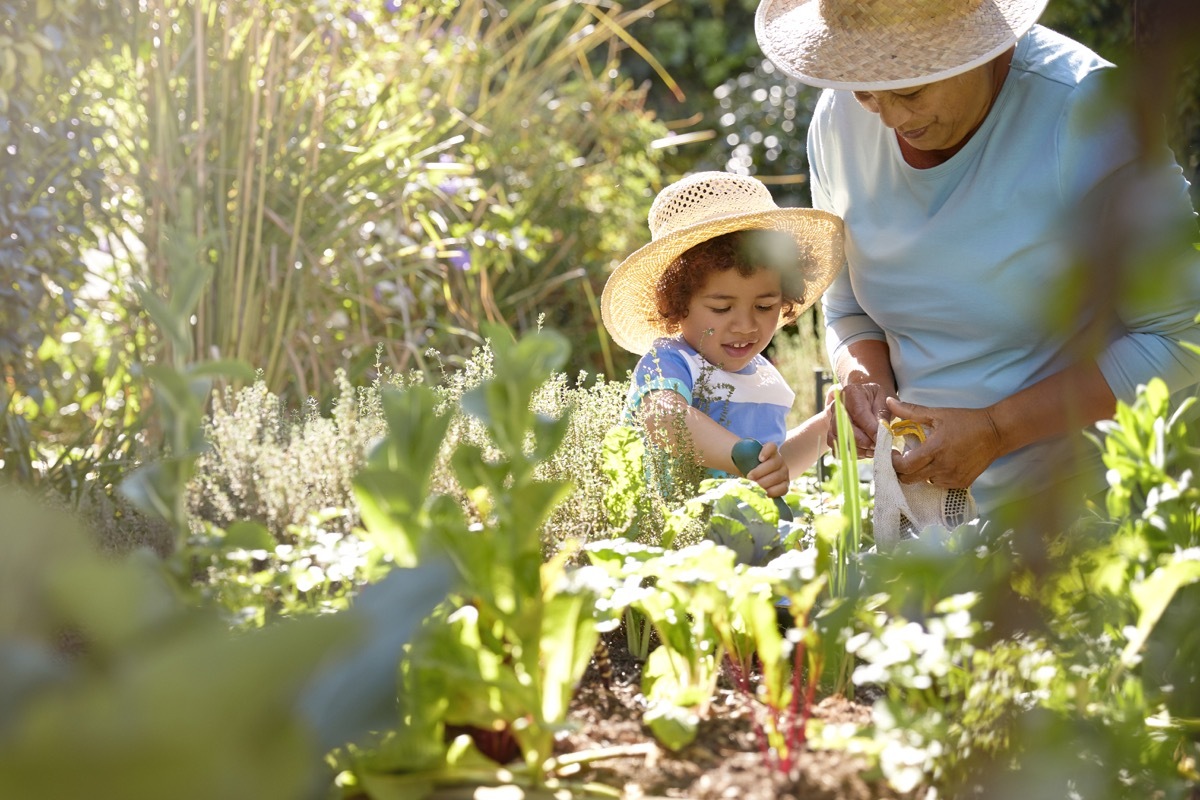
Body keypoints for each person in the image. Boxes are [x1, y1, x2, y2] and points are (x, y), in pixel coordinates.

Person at [754, 0, 1200, 520]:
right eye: (867, 92)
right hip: (918, 518)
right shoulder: (837, 120)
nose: (890, 117)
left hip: (1081, 513)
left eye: (910, 91)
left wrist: (997, 428)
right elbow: (848, 309)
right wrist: (862, 382)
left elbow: (1182, 334)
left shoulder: (1085, 110)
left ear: (978, 45)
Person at [601, 171, 845, 499]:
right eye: (720, 308)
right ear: (676, 302)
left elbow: (773, 468)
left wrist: (827, 426)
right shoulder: (671, 361)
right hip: (678, 537)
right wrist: (739, 455)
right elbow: (664, 418)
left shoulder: (763, 378)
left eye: (764, 306)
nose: (745, 325)